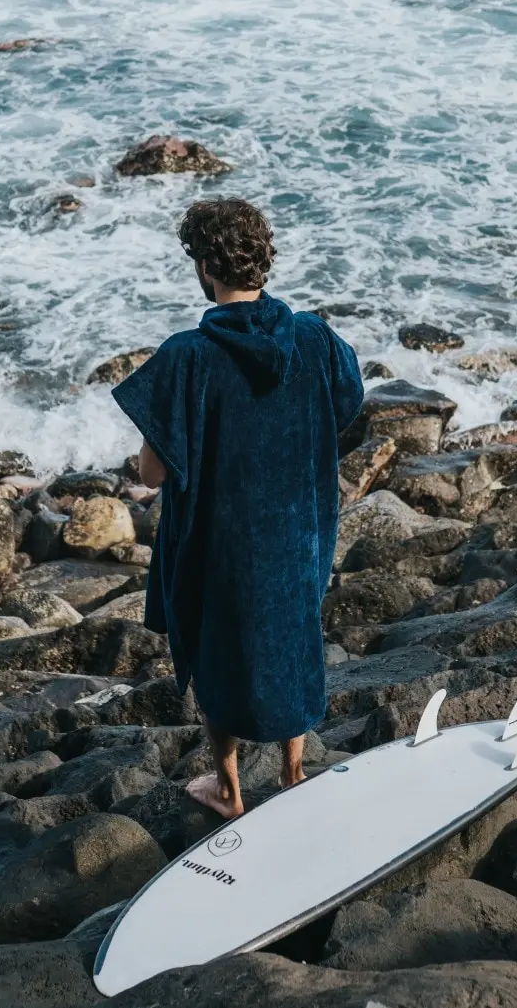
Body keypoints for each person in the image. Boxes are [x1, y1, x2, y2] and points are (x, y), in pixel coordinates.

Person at [112, 198, 364, 818]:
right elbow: (349, 413)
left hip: (221, 540)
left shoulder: (187, 355)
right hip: (300, 528)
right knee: (292, 630)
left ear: (204, 268)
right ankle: (293, 771)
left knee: (216, 649)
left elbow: (151, 471)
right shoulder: (315, 337)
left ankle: (227, 789)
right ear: (265, 260)